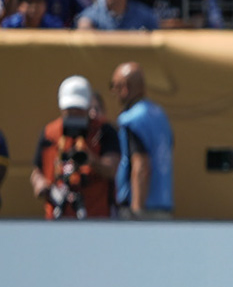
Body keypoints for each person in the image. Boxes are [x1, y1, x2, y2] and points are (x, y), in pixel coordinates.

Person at [33, 75, 120, 220]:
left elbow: (111, 169)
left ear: (87, 106)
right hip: (57, 215)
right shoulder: (50, 133)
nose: (74, 114)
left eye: (78, 109)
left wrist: (90, 159)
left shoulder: (104, 131)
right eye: (69, 109)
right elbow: (37, 171)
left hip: (96, 216)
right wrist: (41, 185)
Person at [111, 62, 172, 219]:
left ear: (125, 87)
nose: (113, 92)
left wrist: (137, 210)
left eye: (115, 86)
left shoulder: (133, 119)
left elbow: (141, 165)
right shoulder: (159, 115)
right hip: (163, 205)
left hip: (142, 208)